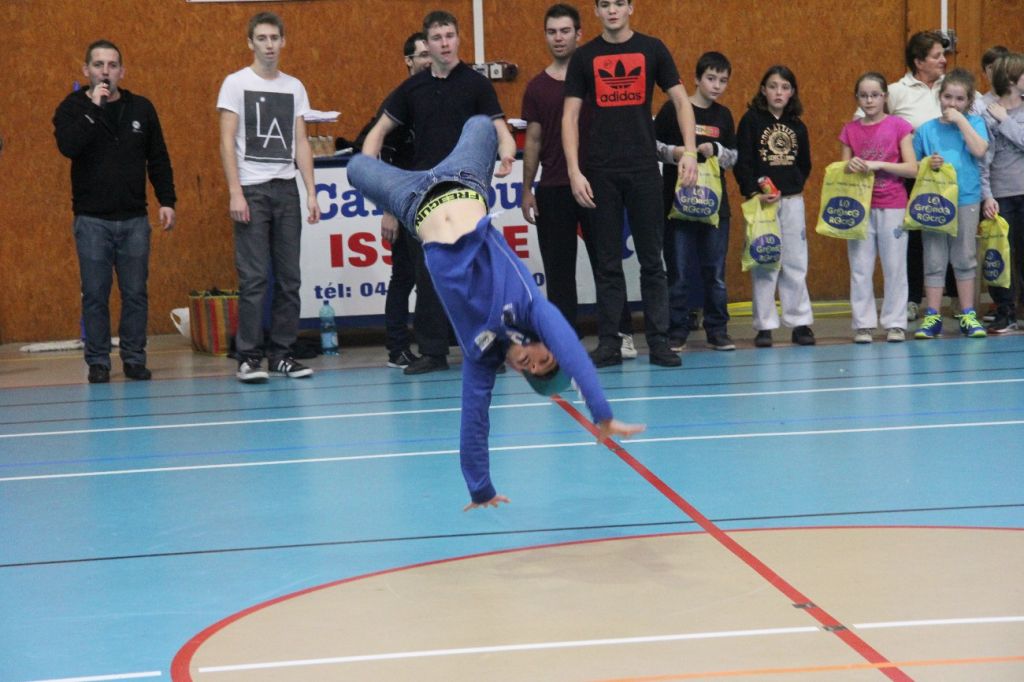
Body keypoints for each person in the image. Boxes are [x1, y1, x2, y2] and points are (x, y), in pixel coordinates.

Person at [348, 115, 644, 509]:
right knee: (479, 125)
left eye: (532, 370)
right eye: (544, 359)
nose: (532, 362)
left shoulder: (480, 356)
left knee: (355, 167)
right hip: (466, 180)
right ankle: (504, 148)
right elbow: (574, 352)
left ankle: (482, 154)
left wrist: (481, 489)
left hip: (414, 202)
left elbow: (474, 419)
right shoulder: (531, 308)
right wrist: (601, 414)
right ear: (547, 345)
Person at [361, 10, 517, 376]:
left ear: (458, 39)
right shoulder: (411, 89)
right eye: (437, 38)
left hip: (466, 194)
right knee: (428, 275)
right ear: (427, 45)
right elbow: (378, 131)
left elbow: (500, 129)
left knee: (476, 274)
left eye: (449, 36)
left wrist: (508, 152)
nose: (444, 43)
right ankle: (432, 352)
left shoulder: (476, 85)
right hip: (425, 197)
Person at [562, 0, 698, 368]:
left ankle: (659, 342)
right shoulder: (584, 57)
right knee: (607, 263)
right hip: (600, 172)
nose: (612, 10)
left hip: (643, 170)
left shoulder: (652, 48)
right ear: (596, 11)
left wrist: (689, 151)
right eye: (605, 4)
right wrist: (574, 171)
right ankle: (610, 343)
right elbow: (569, 116)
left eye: (619, 3)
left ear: (631, 7)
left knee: (653, 261)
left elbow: (681, 101)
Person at [53, 39, 177, 384]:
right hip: (92, 220)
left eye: (111, 65)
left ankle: (134, 358)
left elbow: (158, 158)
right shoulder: (72, 107)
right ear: (86, 70)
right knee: (95, 294)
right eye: (98, 65)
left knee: (135, 293)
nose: (105, 71)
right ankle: (98, 362)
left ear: (122, 71)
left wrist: (167, 200)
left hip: (134, 218)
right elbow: (68, 146)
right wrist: (94, 108)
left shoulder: (142, 108)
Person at [520, 3, 636, 358]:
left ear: (579, 34)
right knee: (559, 272)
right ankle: (565, 341)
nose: (558, 38)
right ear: (545, 36)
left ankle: (620, 334)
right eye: (552, 32)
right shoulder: (537, 87)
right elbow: (533, 141)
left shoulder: (597, 77)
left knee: (607, 264)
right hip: (554, 188)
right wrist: (527, 190)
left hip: (598, 185)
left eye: (565, 31)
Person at [217, 12, 320, 383]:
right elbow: (226, 140)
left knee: (290, 278)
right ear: (250, 43)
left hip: (286, 188)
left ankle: (282, 354)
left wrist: (311, 191)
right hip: (252, 189)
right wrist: (235, 192)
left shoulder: (294, 87)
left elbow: (301, 141)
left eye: (274, 38)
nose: (269, 45)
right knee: (255, 278)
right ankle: (248, 356)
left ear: (283, 41)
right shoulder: (235, 83)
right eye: (261, 38)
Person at [354, 32, 432, 369]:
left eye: (431, 54)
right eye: (422, 54)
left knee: (434, 276)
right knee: (404, 275)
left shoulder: (437, 98)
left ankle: (437, 342)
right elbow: (379, 157)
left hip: (432, 202)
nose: (428, 60)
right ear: (408, 61)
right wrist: (389, 210)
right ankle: (397, 347)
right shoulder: (400, 101)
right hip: (402, 203)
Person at [656, 51, 738, 352]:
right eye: (711, 78)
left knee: (715, 273)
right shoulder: (673, 109)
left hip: (715, 208)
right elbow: (653, 146)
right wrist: (676, 153)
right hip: (676, 205)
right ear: (696, 79)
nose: (716, 85)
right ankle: (677, 330)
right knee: (677, 272)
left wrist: (717, 150)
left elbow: (734, 157)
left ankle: (717, 330)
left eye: (723, 81)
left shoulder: (724, 116)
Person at [735, 65, 814, 348]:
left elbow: (805, 163)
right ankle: (765, 326)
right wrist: (753, 191)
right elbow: (743, 161)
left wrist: (793, 185)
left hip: (791, 201)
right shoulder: (751, 121)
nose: (778, 92)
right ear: (763, 90)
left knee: (795, 262)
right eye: (772, 86)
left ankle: (800, 322)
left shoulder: (797, 126)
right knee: (765, 261)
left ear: (792, 92)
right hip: (761, 203)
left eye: (784, 87)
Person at [839, 72, 918, 344]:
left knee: (895, 267)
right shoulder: (850, 130)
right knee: (860, 267)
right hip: (860, 208)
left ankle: (895, 323)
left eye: (875, 95)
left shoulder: (899, 126)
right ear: (857, 98)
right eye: (864, 95)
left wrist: (880, 165)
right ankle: (863, 324)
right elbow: (842, 169)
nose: (869, 100)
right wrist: (850, 166)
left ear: (885, 96)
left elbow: (912, 168)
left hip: (893, 204)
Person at [912, 68, 990, 339]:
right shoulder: (926, 129)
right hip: (934, 202)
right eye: (948, 97)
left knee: (965, 256)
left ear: (969, 102)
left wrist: (961, 122)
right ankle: (932, 315)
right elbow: (913, 167)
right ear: (939, 97)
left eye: (959, 99)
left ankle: (967, 313)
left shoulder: (975, 123)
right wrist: (927, 163)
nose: (952, 104)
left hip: (966, 198)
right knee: (934, 257)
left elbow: (979, 150)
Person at [880, 31, 947, 323]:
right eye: (936, 56)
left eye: (943, 54)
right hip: (913, 176)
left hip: (947, 176)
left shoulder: (950, 86)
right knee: (915, 239)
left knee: (948, 234)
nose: (943, 60)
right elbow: (867, 119)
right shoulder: (897, 91)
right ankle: (911, 299)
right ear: (919, 62)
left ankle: (956, 298)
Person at [981, 52, 1024, 333]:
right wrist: (987, 195)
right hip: (1000, 195)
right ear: (1010, 79)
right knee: (1000, 254)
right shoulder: (986, 113)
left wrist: (1005, 121)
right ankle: (1005, 311)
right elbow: (983, 160)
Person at [972, 45, 1010, 116]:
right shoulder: (978, 105)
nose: (996, 70)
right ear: (984, 74)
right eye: (991, 67)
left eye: (1001, 65)